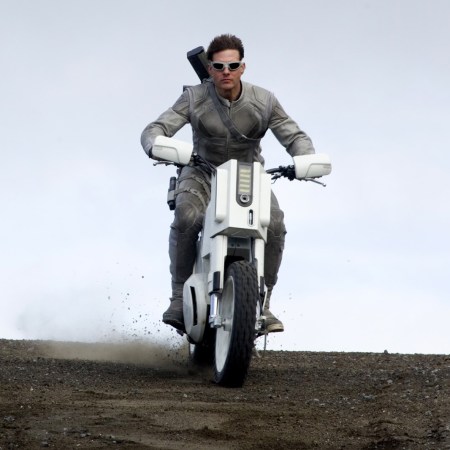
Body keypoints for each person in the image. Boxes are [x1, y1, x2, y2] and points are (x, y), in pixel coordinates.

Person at [141, 34, 315, 334]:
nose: (226, 71)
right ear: (209, 68)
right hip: (201, 172)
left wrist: (306, 159)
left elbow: (295, 136)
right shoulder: (194, 98)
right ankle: (179, 296)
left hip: (248, 175)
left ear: (243, 67)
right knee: (187, 216)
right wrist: (156, 144)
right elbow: (155, 128)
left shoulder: (264, 101)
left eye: (233, 65)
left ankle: (263, 301)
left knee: (274, 224)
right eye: (219, 66)